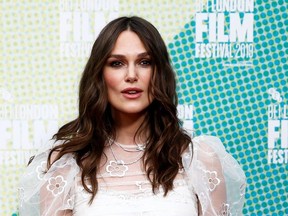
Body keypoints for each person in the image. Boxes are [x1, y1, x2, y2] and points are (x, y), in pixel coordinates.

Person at [19, 16, 246, 216]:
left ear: (159, 73)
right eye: (117, 63)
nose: (131, 75)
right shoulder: (66, 164)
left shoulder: (199, 159)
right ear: (99, 75)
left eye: (144, 62)